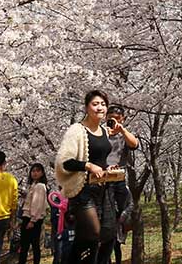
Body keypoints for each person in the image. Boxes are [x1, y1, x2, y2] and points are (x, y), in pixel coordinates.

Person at [55, 90, 120, 264]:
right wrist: (88, 166)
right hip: (82, 192)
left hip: (102, 190)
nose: (100, 108)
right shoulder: (77, 130)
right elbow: (64, 162)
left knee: (101, 236)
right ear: (86, 107)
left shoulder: (104, 131)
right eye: (95, 104)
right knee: (94, 233)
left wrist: (108, 169)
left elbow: (101, 159)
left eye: (103, 104)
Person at [104, 106, 139, 264]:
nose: (112, 120)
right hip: (102, 181)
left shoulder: (125, 135)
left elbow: (134, 144)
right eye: (110, 117)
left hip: (118, 181)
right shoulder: (99, 134)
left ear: (123, 119)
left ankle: (117, 252)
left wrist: (122, 130)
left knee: (120, 218)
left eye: (117, 118)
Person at [19, 164, 49, 264]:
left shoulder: (40, 186)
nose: (35, 173)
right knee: (30, 245)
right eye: (33, 171)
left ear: (42, 173)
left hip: (32, 219)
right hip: (29, 217)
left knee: (27, 245)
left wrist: (32, 220)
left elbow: (38, 204)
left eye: (37, 171)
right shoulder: (33, 185)